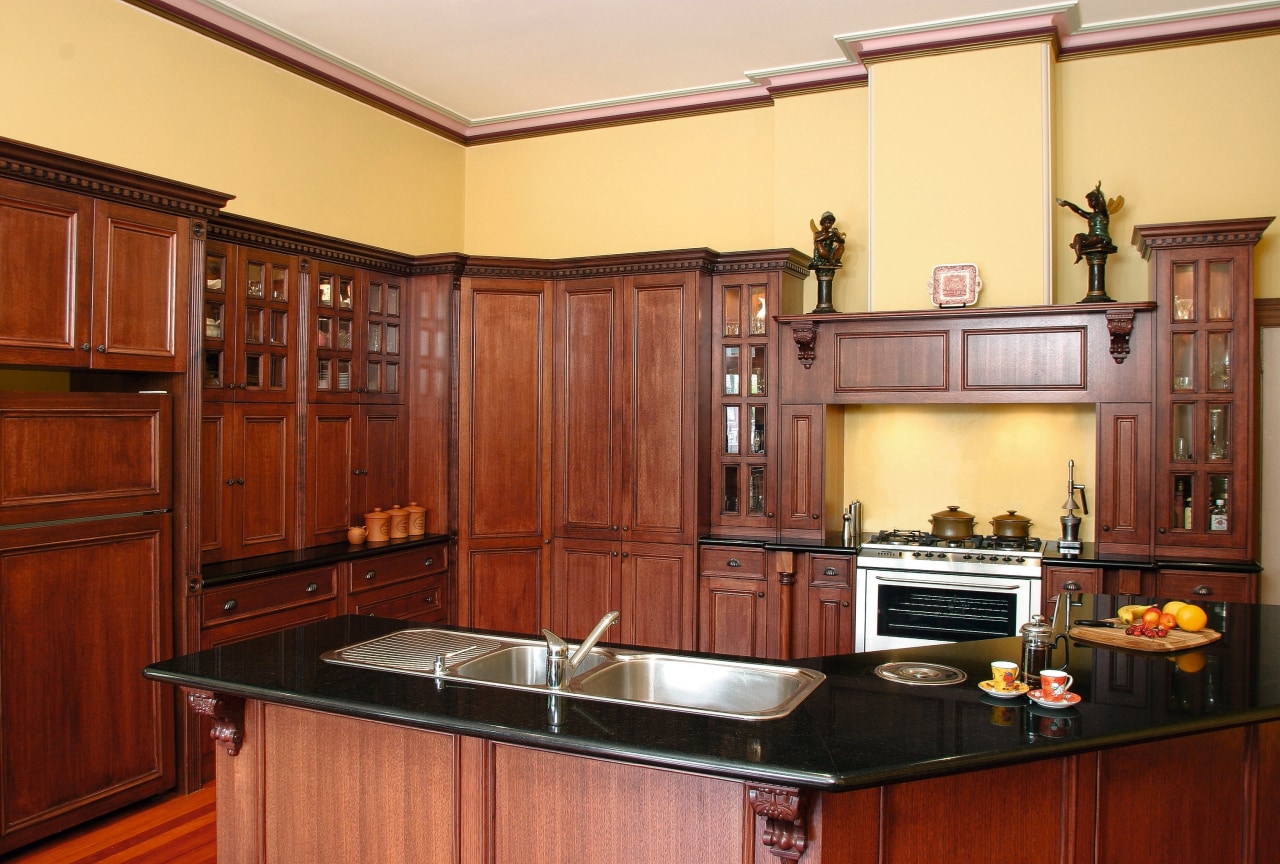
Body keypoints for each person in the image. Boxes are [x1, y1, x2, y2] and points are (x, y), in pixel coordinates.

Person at [1056, 183, 1121, 263]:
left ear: (1097, 200)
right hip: (1091, 237)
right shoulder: (1091, 216)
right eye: (1089, 201)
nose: (1090, 202)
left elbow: (1103, 205)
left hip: (1102, 238)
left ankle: (1079, 246)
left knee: (1095, 239)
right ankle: (1079, 255)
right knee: (1078, 237)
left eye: (1092, 200)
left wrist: (1098, 194)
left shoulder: (1103, 214)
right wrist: (1068, 204)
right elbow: (1079, 211)